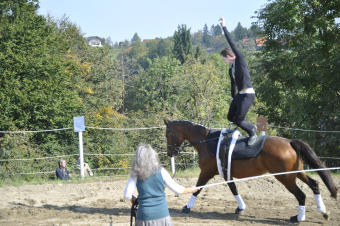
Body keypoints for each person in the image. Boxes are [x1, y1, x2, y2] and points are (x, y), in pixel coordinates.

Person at [124, 144, 199, 226]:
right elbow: (178, 189)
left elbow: (127, 194)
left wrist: (134, 200)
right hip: (162, 215)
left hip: (144, 216)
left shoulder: (135, 174)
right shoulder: (161, 171)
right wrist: (191, 190)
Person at [219, 16, 257, 145]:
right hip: (240, 95)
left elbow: (232, 43)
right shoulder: (231, 69)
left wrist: (224, 27)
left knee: (239, 119)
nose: (223, 61)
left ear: (228, 56)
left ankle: (252, 131)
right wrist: (233, 99)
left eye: (223, 59)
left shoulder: (240, 59)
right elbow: (232, 85)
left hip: (248, 94)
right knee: (230, 117)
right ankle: (247, 127)